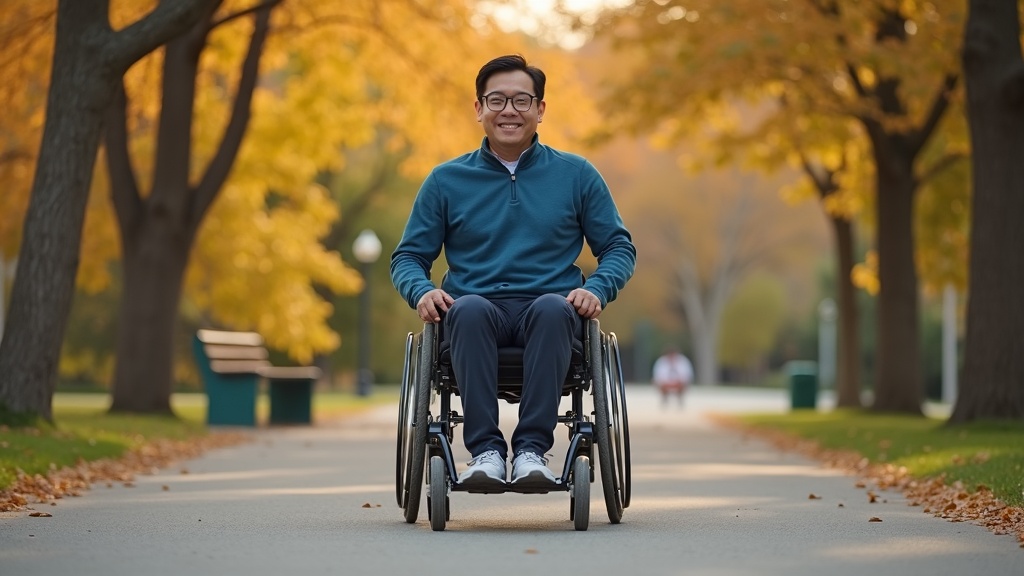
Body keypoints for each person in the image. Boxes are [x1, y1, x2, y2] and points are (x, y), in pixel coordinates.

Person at [390, 54, 636, 491]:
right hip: (475, 311)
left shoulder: (577, 175)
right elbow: (408, 257)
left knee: (552, 308)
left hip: (550, 312)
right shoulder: (446, 180)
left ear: (540, 109)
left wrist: (598, 287)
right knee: (465, 310)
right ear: (479, 108)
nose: (509, 111)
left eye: (522, 100)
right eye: (497, 100)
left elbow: (618, 247)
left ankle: (530, 452)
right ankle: (485, 451)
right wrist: (421, 292)